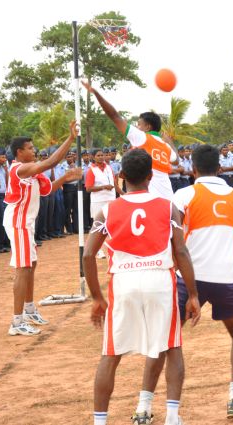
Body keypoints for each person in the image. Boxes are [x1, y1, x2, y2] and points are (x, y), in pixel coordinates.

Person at [83, 149, 200, 425]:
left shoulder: (106, 210)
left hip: (124, 282)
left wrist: (97, 297)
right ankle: (172, 416)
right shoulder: (167, 207)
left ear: (121, 175)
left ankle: (100, 421)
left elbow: (88, 255)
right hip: (160, 280)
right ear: (150, 176)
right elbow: (181, 251)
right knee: (172, 347)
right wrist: (193, 294)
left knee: (111, 354)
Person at [169, 144, 233, 419]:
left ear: (193, 170)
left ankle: (155, 407)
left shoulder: (183, 194)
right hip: (227, 279)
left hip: (190, 279)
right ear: (220, 168)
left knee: (169, 339)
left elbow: (174, 241)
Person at [4, 122, 83, 336]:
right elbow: (51, 162)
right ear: (19, 152)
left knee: (31, 264)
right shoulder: (20, 169)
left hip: (27, 223)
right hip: (18, 221)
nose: (34, 150)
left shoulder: (32, 172)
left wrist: (65, 178)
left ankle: (29, 309)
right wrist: (70, 138)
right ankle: (16, 322)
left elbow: (47, 191)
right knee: (23, 268)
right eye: (30, 148)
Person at [82, 81, 179, 200]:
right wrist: (169, 142)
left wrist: (96, 94)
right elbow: (176, 161)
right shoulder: (165, 146)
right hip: (168, 198)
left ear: (148, 127)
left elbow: (114, 116)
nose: (137, 127)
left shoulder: (142, 137)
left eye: (139, 124)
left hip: (149, 198)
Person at [85, 148, 118, 259]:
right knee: (98, 226)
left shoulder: (109, 167)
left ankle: (113, 248)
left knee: (112, 224)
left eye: (102, 155)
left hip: (111, 199)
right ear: (93, 157)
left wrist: (122, 194)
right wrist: (104, 187)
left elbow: (114, 183)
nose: (101, 157)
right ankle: (98, 251)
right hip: (98, 201)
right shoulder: (91, 170)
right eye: (98, 155)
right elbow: (88, 188)